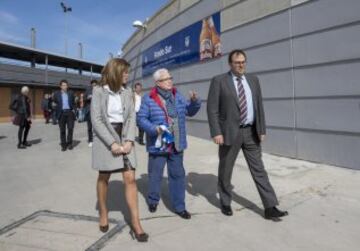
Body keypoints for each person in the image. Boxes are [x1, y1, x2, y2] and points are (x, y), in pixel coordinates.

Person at [207, 49, 288, 220]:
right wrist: (216, 132)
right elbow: (212, 109)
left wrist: (262, 129)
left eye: (243, 61)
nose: (241, 64)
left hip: (251, 131)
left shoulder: (253, 80)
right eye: (237, 62)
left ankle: (270, 206)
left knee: (259, 169)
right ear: (230, 64)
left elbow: (259, 105)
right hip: (229, 133)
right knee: (226, 169)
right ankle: (226, 201)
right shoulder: (219, 81)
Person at [91, 58, 148, 242]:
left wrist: (130, 139)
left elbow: (131, 116)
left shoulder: (128, 92)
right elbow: (97, 120)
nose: (127, 75)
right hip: (106, 138)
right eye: (124, 72)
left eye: (128, 72)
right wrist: (112, 143)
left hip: (125, 137)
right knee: (104, 177)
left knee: (130, 178)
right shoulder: (99, 91)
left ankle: (136, 223)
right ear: (115, 72)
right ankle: (103, 212)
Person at [137, 68, 201, 219]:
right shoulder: (149, 98)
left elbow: (189, 111)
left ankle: (179, 207)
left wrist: (194, 102)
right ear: (158, 82)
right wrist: (154, 129)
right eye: (166, 79)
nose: (170, 81)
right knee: (155, 175)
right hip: (159, 144)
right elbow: (140, 119)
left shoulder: (176, 95)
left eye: (170, 78)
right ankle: (153, 200)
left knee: (178, 175)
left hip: (176, 143)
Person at [53, 80, 76, 151]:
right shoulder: (56, 94)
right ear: (60, 86)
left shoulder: (71, 93)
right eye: (63, 85)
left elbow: (74, 102)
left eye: (66, 85)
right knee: (62, 130)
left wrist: (74, 109)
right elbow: (54, 103)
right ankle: (63, 145)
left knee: (70, 128)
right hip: (61, 113)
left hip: (69, 113)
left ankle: (69, 143)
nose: (65, 86)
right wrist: (54, 106)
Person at [84, 79, 97, 147]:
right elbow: (84, 98)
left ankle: (97, 140)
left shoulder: (98, 91)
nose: (94, 85)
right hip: (89, 111)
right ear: (91, 84)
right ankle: (90, 140)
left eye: (95, 84)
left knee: (97, 127)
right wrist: (88, 97)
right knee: (89, 127)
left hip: (97, 111)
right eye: (93, 84)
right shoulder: (87, 90)